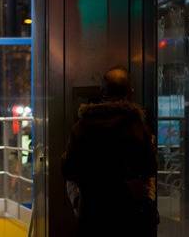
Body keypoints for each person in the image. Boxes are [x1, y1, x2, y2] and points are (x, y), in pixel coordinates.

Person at [61, 66, 158, 237]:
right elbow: (149, 169)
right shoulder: (138, 128)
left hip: (92, 213)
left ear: (102, 92)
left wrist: (78, 202)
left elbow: (68, 169)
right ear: (130, 93)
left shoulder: (82, 127)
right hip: (130, 216)